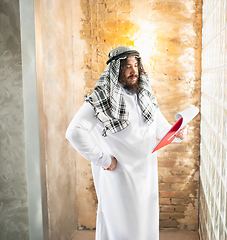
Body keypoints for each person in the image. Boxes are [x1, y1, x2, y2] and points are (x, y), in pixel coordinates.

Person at [66, 46, 186, 240]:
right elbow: (74, 132)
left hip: (145, 176)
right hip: (119, 178)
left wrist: (177, 131)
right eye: (127, 66)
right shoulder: (101, 99)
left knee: (144, 227)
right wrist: (103, 160)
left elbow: (160, 128)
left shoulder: (145, 96)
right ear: (116, 69)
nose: (134, 71)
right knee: (119, 228)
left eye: (136, 65)